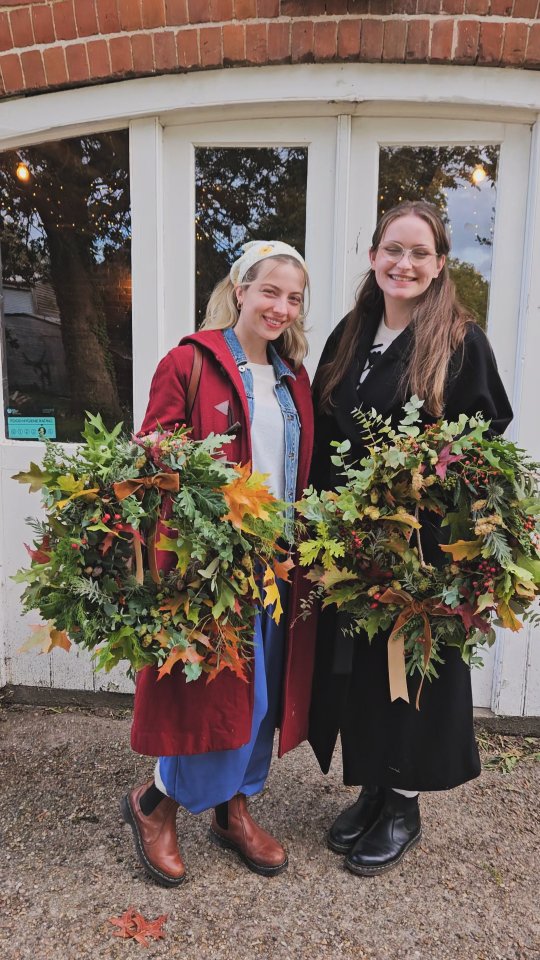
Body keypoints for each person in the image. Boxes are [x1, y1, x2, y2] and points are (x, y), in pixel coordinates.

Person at [309, 200, 513, 877]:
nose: (404, 263)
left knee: (412, 668)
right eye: (393, 249)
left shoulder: (459, 339)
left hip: (421, 545)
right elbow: (324, 424)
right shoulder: (350, 334)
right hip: (352, 540)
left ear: (440, 263)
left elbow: (485, 435)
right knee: (363, 669)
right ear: (373, 257)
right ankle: (373, 784)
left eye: (419, 252)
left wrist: (428, 484)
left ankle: (404, 805)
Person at [122, 241, 314, 886]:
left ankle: (234, 810)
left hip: (278, 562)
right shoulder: (189, 361)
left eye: (293, 297)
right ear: (240, 290)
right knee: (211, 693)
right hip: (213, 563)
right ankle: (155, 803)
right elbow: (155, 449)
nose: (280, 307)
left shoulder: (293, 379)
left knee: (262, 699)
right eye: (270, 291)